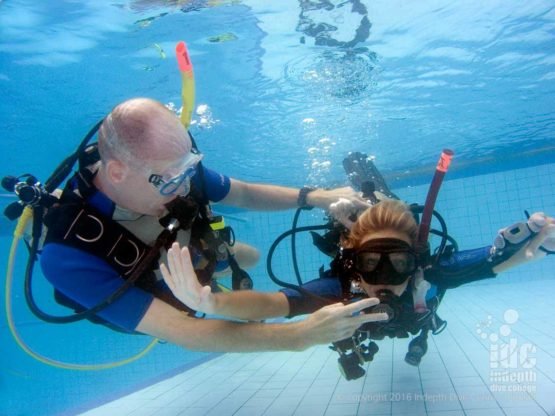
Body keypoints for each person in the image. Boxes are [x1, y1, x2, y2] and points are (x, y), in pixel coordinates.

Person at [38, 97, 388, 352]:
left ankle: (211, 260)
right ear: (117, 173)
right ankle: (198, 268)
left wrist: (314, 196)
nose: (186, 188)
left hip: (180, 245)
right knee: (194, 294)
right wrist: (298, 336)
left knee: (245, 256)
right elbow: (185, 331)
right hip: (144, 280)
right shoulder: (68, 255)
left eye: (190, 171)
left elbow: (246, 193)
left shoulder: (169, 168)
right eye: (172, 181)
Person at [161, 197, 554, 377]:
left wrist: (539, 241)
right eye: (370, 263)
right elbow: (270, 303)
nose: (383, 276)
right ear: (353, 263)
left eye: (399, 263)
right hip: (359, 322)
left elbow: (492, 258)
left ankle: (420, 340)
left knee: (424, 319)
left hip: (415, 320)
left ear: (414, 261)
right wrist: (211, 301)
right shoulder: (338, 287)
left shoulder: (430, 273)